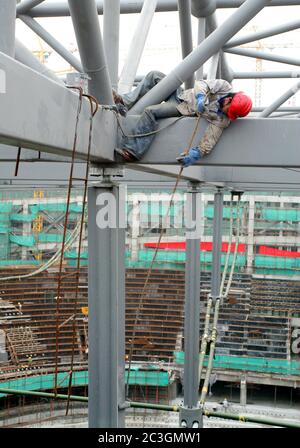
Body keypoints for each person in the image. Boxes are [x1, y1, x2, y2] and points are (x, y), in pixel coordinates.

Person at [114, 71, 252, 166]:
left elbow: (212, 137)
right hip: (181, 95)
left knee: (150, 112)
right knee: (154, 75)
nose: (228, 115)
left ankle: (133, 151)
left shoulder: (223, 119)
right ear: (228, 100)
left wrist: (196, 153)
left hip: (180, 108)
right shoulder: (224, 87)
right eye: (230, 111)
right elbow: (202, 84)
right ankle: (125, 102)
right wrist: (200, 98)